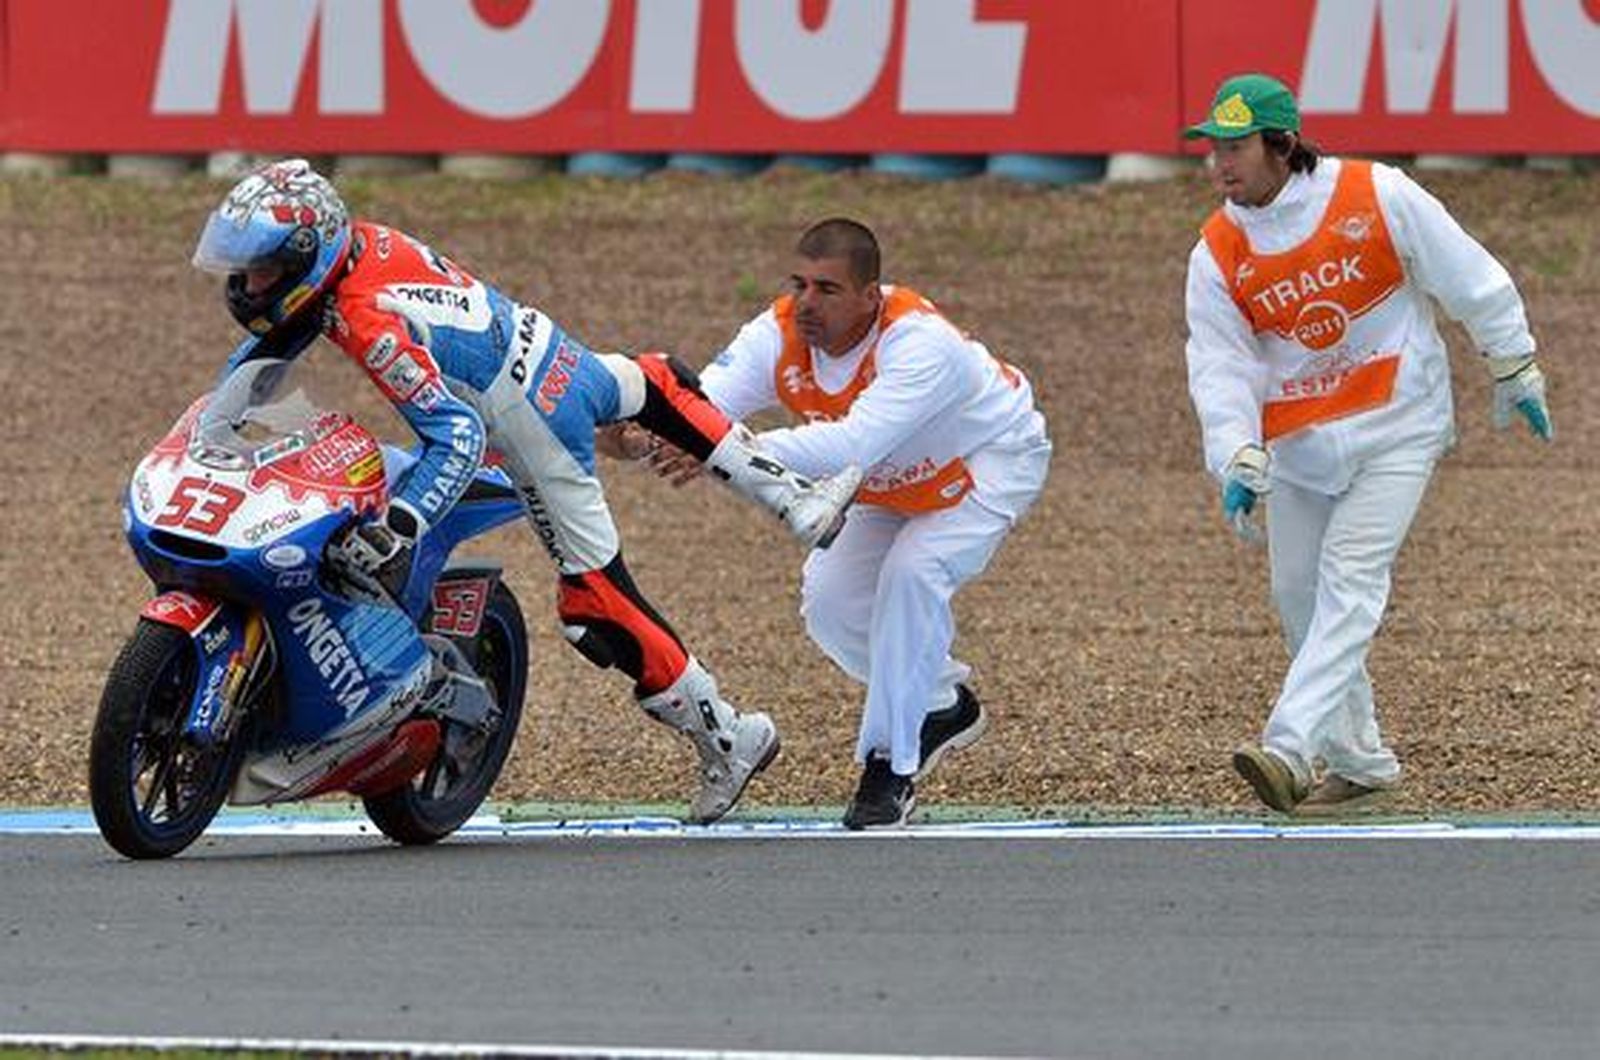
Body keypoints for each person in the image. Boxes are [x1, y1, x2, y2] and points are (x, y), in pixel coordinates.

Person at [190, 158, 862, 824]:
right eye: (240, 268)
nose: (246, 286)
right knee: (658, 382)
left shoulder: (370, 319)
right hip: (552, 355)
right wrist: (206, 428)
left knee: (594, 605)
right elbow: (283, 338)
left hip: (530, 425)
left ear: (308, 256)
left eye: (260, 269)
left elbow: (457, 438)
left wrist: (397, 528)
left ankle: (729, 738)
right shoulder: (362, 243)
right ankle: (799, 502)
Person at [1182, 74, 1553, 815]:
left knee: (1350, 583)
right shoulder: (1216, 250)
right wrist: (1237, 453)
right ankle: (1362, 763)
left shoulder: (1377, 192)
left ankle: (1288, 747)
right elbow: (1221, 363)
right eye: (1212, 148)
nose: (1219, 164)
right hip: (1299, 449)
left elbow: (1466, 274)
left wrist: (1513, 361)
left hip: (1400, 424)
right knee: (1298, 596)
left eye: (1235, 147)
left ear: (1281, 147)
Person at [614, 218, 1051, 829]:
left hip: (986, 462)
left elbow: (855, 439)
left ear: (871, 298)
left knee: (913, 571)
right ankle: (941, 704)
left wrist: (719, 448)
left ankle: (890, 768)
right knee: (830, 605)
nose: (807, 304)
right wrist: (636, 432)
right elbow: (699, 405)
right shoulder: (777, 330)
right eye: (800, 284)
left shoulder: (922, 343)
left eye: (828, 289)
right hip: (886, 480)